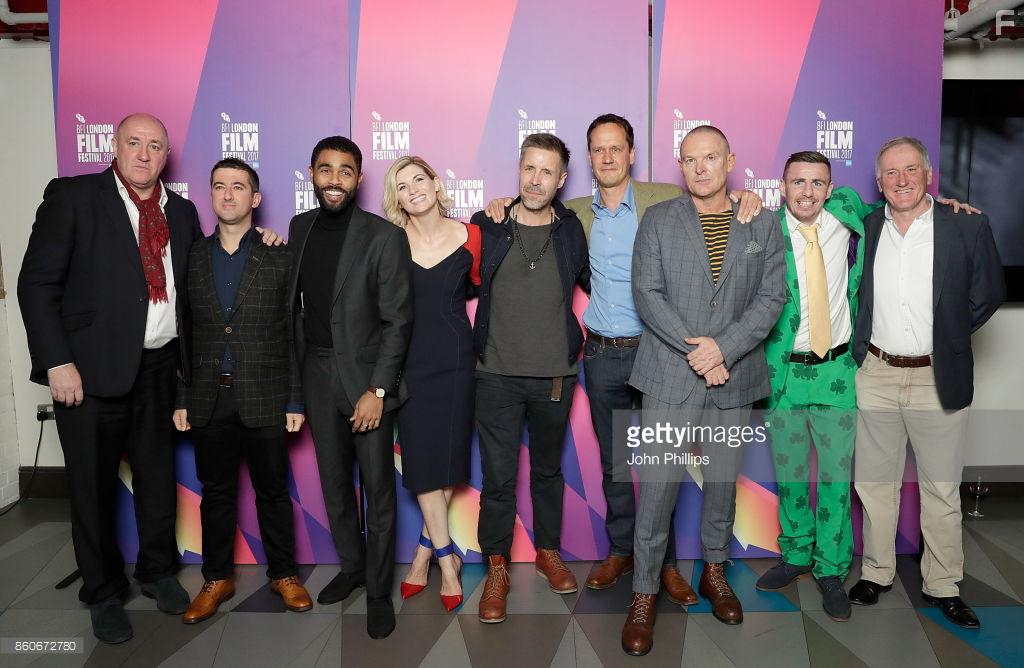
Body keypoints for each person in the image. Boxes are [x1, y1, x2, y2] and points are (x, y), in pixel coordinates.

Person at [483, 115, 761, 601]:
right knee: (615, 463)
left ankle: (667, 564)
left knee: (662, 463)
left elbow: (713, 198)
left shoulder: (664, 200)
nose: (607, 158)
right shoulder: (572, 213)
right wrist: (502, 204)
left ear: (632, 154)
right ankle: (621, 551)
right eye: (598, 150)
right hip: (604, 354)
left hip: (665, 354)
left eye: (617, 149)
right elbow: (530, 204)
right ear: (587, 160)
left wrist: (745, 198)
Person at [755, 151, 978, 622]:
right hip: (785, 375)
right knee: (791, 473)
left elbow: (909, 205)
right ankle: (795, 552)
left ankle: (832, 567)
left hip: (838, 373)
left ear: (832, 189)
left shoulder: (851, 214)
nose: (807, 192)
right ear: (782, 186)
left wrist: (947, 205)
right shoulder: (761, 227)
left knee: (838, 479)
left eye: (818, 183)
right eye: (798, 182)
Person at [18, 113, 201, 644]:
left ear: (167, 155)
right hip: (88, 371)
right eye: (134, 143)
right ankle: (101, 592)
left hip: (161, 367)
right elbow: (37, 284)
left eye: (155, 146)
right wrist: (56, 361)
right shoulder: (74, 198)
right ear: (115, 147)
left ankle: (158, 571)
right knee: (92, 487)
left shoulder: (181, 212)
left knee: (156, 478)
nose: (144, 154)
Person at [622, 125, 786, 655]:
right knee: (657, 496)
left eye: (710, 157)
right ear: (680, 164)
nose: (700, 168)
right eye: (690, 159)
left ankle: (714, 574)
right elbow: (646, 294)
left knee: (720, 488)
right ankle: (644, 594)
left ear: (730, 160)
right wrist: (700, 351)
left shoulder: (761, 221)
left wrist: (724, 349)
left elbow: (771, 297)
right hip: (670, 376)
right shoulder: (659, 219)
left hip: (733, 380)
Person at [849, 137, 1004, 629]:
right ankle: (877, 573)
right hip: (875, 373)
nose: (901, 180)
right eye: (890, 173)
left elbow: (989, 293)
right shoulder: (870, 225)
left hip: (937, 375)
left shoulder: (966, 224)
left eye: (910, 169)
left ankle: (942, 584)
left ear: (928, 174)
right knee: (875, 484)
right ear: (879, 183)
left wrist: (950, 337)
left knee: (940, 487)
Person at [172, 158, 312, 623]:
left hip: (266, 393)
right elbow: (182, 331)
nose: (228, 194)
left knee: (272, 492)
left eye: (238, 187)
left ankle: (284, 574)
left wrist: (295, 398)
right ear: (210, 196)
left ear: (255, 199)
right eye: (219, 186)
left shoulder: (280, 254)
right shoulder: (191, 255)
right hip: (209, 398)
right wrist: (181, 397)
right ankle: (216, 578)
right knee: (216, 492)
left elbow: (293, 330)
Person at [287, 136, 413, 639]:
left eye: (345, 171)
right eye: (325, 169)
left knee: (378, 489)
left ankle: (379, 591)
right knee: (335, 485)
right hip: (315, 374)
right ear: (312, 174)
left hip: (364, 379)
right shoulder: (298, 228)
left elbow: (398, 321)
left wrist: (377, 390)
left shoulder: (383, 236)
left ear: (359, 178)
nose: (334, 179)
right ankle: (353, 568)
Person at [471, 133, 590, 624]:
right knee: (498, 479)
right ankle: (496, 566)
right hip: (495, 375)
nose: (536, 180)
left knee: (547, 472)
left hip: (555, 377)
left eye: (547, 172)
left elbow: (597, 281)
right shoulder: (489, 223)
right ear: (518, 170)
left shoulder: (571, 230)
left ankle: (548, 551)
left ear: (561, 180)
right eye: (529, 169)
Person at [381, 156, 482, 613]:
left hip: (459, 363)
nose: (413, 190)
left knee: (448, 461)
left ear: (436, 183)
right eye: (402, 186)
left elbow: (484, 289)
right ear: (396, 199)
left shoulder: (472, 235)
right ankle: (446, 561)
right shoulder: (389, 243)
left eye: (419, 179)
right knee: (424, 464)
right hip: (409, 366)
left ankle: (423, 552)